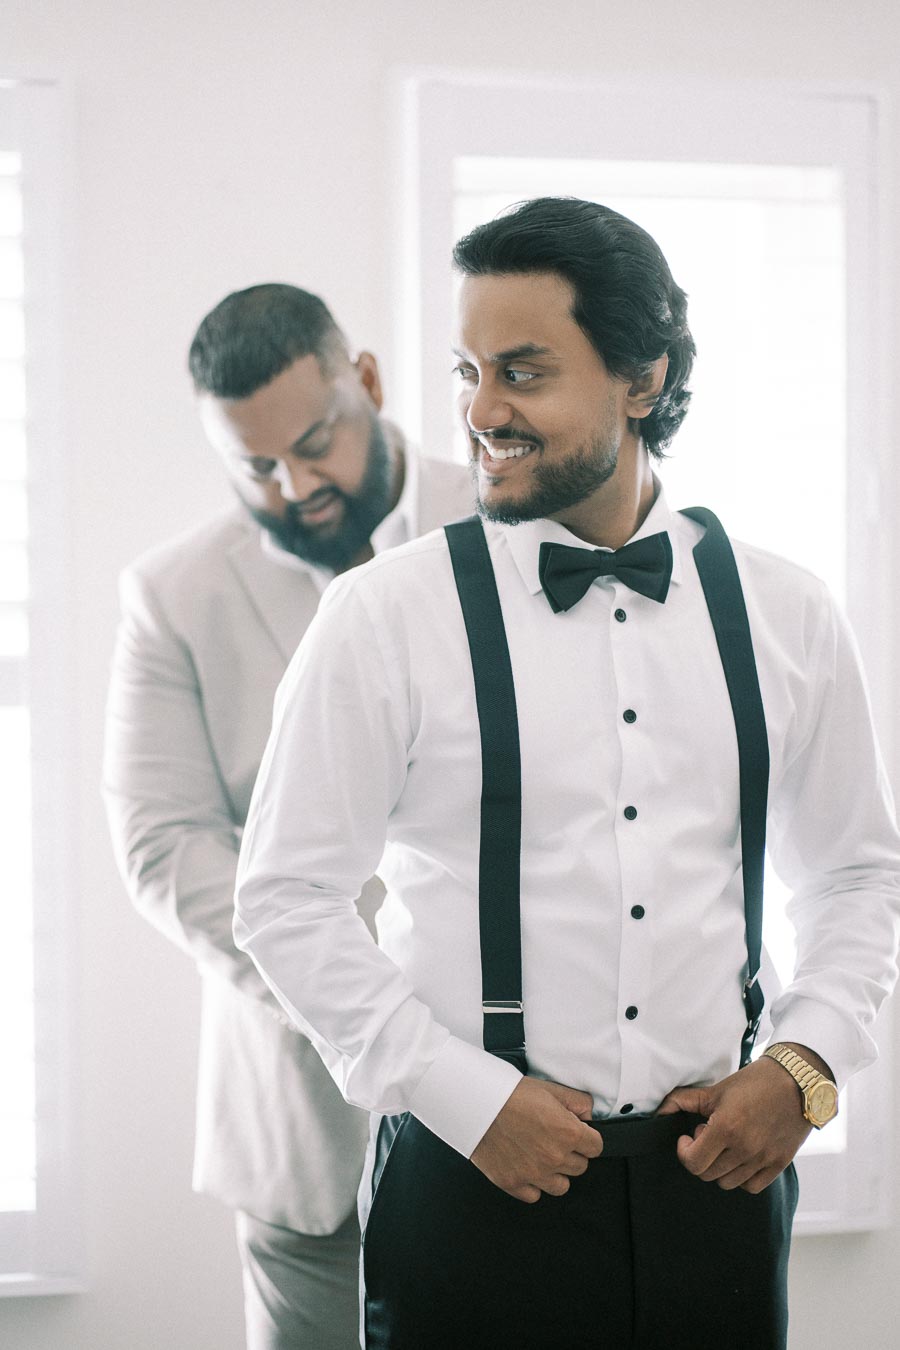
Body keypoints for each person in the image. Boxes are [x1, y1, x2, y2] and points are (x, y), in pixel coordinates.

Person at [232, 204, 900, 1349]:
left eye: (524, 372)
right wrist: (462, 1097)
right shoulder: (382, 617)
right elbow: (284, 902)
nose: (482, 411)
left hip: (722, 1194)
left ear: (644, 379)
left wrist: (808, 1066)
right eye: (469, 371)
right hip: (471, 1191)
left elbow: (856, 876)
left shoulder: (789, 610)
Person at [102, 283, 473, 1350]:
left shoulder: (509, 519)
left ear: (365, 381)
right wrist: (369, 1009)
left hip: (529, 1101)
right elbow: (164, 845)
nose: (296, 485)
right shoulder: (172, 596)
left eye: (315, 443)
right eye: (254, 466)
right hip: (302, 1134)